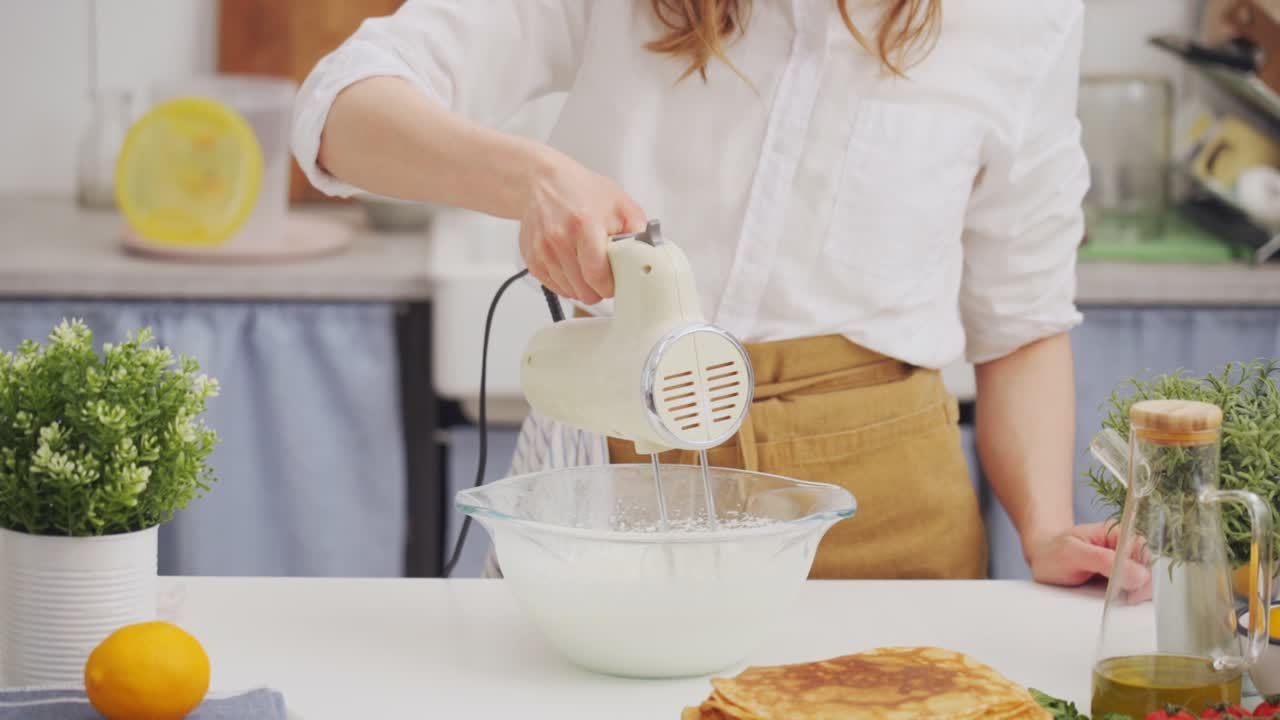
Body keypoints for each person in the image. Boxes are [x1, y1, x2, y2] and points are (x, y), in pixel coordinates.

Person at [292, 0, 1149, 588]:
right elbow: (338, 110)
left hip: (889, 521)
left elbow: (1022, 322)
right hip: (613, 502)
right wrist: (531, 177)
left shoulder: (1019, 16)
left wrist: (1042, 527)